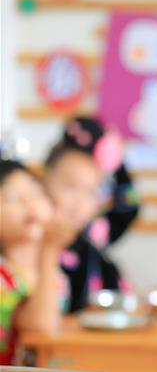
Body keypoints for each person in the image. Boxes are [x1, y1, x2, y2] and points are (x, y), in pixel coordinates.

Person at [43, 117, 139, 312]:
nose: (80, 203)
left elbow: (130, 206)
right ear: (44, 181)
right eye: (71, 187)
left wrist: (117, 163)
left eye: (92, 191)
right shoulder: (26, 238)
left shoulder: (95, 235)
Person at [0, 159, 74, 365]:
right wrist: (49, 251)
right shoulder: (3, 276)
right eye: (12, 197)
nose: (28, 203)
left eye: (35, 192)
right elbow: (37, 325)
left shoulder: (57, 276)